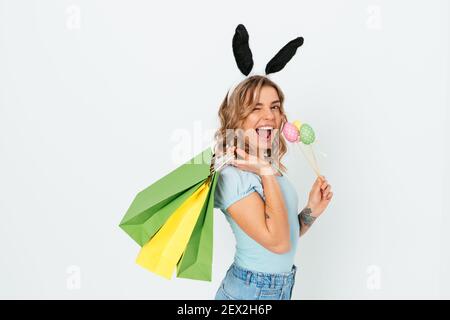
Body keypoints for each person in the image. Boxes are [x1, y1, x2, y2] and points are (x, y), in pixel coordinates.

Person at [213, 75, 333, 300]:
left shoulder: (268, 168)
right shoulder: (232, 177)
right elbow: (278, 243)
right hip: (249, 293)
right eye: (256, 108)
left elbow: (285, 235)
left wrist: (311, 211)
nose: (269, 115)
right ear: (237, 119)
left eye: (275, 106)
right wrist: (265, 172)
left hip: (277, 289)